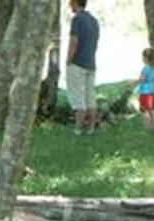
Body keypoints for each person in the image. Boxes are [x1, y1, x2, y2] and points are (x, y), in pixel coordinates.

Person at [67, 0, 100, 134]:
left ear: (75, 2)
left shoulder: (77, 20)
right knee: (89, 96)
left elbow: (74, 41)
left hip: (78, 62)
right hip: (91, 62)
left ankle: (78, 129)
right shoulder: (94, 21)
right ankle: (91, 128)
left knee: (78, 97)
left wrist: (69, 59)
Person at [130, 48, 154, 132]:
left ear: (145, 58)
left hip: (145, 93)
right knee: (152, 110)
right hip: (153, 92)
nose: (142, 59)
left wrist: (133, 82)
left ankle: (148, 128)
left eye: (143, 57)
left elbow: (142, 79)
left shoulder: (145, 69)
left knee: (145, 110)